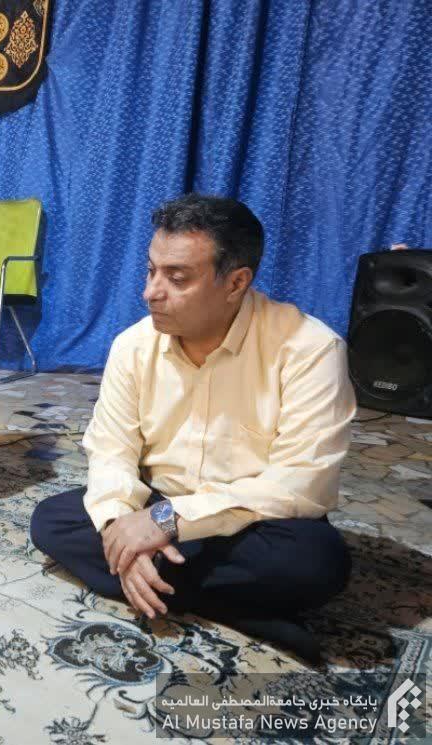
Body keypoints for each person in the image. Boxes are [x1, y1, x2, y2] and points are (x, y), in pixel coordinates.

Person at [30, 194, 356, 660]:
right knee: (52, 520)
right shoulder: (133, 347)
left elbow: (301, 484)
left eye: (177, 278)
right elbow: (111, 452)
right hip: (156, 502)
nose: (151, 292)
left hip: (253, 518)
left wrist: (165, 522)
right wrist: (123, 526)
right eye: (150, 271)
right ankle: (245, 612)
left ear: (236, 282)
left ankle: (153, 582)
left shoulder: (310, 350)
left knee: (316, 561)